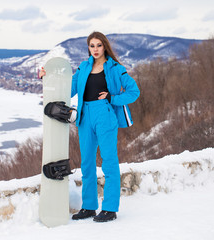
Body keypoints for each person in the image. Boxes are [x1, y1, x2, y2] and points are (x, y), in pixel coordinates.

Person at [39, 31, 140, 222]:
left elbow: (134, 92)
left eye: (99, 45)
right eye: (92, 46)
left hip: (105, 115)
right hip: (85, 117)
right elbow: (67, 89)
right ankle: (89, 206)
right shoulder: (84, 68)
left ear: (105, 46)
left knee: (109, 162)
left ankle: (110, 208)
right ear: (88, 48)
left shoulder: (115, 68)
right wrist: (47, 78)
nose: (95, 49)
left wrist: (112, 98)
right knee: (86, 164)